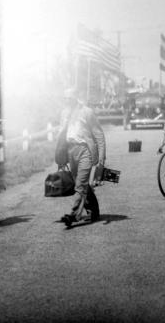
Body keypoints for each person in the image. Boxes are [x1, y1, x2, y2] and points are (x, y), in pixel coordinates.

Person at [59, 88, 106, 226]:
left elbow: (99, 135)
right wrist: (60, 157)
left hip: (85, 150)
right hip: (70, 151)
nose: (67, 101)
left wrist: (102, 157)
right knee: (82, 183)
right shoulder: (64, 113)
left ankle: (74, 215)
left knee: (80, 185)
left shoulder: (87, 112)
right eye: (65, 98)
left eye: (69, 98)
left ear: (75, 98)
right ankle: (94, 211)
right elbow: (62, 135)